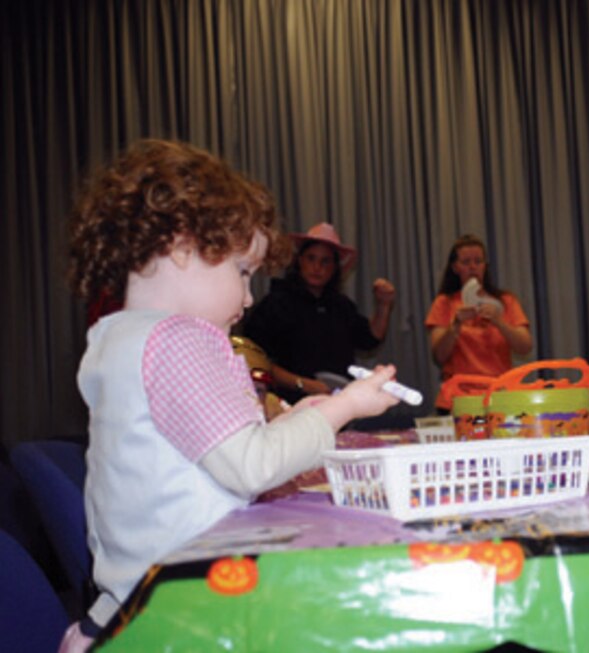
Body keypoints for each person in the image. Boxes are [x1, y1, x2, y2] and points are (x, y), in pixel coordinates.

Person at [61, 139, 401, 651]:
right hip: (189, 608)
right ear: (180, 245)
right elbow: (250, 468)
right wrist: (343, 407)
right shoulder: (181, 338)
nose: (246, 298)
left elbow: (203, 456)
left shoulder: (118, 337)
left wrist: (293, 423)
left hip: (128, 603)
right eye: (242, 272)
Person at [244, 222, 396, 403]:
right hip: (288, 407)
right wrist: (303, 384)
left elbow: (370, 339)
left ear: (334, 268)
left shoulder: (341, 306)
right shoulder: (276, 303)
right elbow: (253, 359)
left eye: (325, 261)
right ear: (299, 261)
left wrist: (383, 305)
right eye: (311, 258)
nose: (317, 267)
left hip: (336, 405)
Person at [426, 234, 532, 412]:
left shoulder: (506, 301)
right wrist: (455, 326)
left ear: (485, 266)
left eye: (478, 261)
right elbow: (439, 356)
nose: (473, 267)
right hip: (457, 400)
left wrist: (499, 322)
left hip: (499, 397)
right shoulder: (444, 303)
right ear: (455, 267)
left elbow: (525, 346)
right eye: (466, 262)